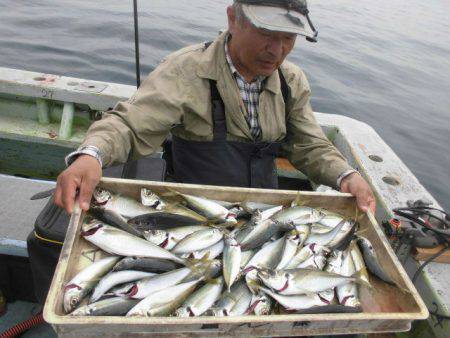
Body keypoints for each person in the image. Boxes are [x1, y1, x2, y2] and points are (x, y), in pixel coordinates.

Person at [55, 0, 376, 215]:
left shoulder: (291, 81)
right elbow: (129, 125)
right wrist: (91, 155)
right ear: (233, 19)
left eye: (288, 37)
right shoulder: (185, 71)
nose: (277, 51)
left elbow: (309, 144)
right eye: (266, 34)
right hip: (194, 213)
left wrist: (345, 175)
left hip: (263, 214)